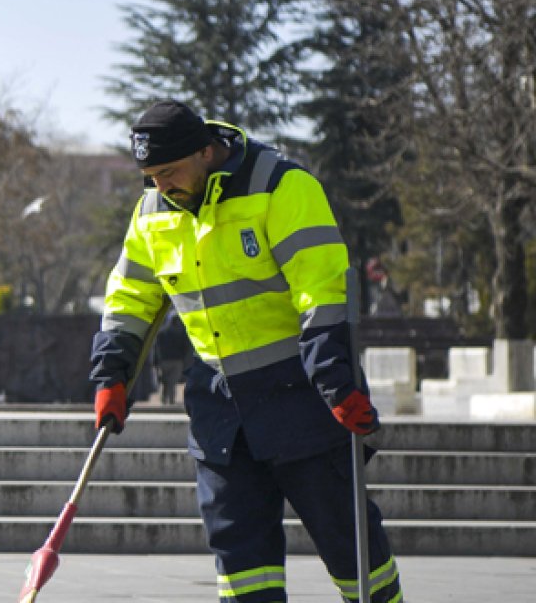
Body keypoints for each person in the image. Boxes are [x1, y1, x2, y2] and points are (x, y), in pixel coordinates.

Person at [89, 100, 402, 602]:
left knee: (352, 549)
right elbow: (130, 300)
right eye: (151, 176)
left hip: (303, 396)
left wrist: (336, 381)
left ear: (205, 151)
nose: (161, 186)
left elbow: (322, 291)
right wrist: (111, 376)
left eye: (169, 172)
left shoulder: (280, 186)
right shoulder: (151, 213)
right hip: (220, 412)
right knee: (242, 568)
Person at [151, 306, 191, 405]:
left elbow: (156, 348)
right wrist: (186, 360)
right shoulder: (182, 333)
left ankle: (165, 398)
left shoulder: (161, 332)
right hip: (177, 361)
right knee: (172, 380)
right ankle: (170, 399)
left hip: (164, 360)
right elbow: (186, 348)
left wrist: (155, 361)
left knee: (166, 380)